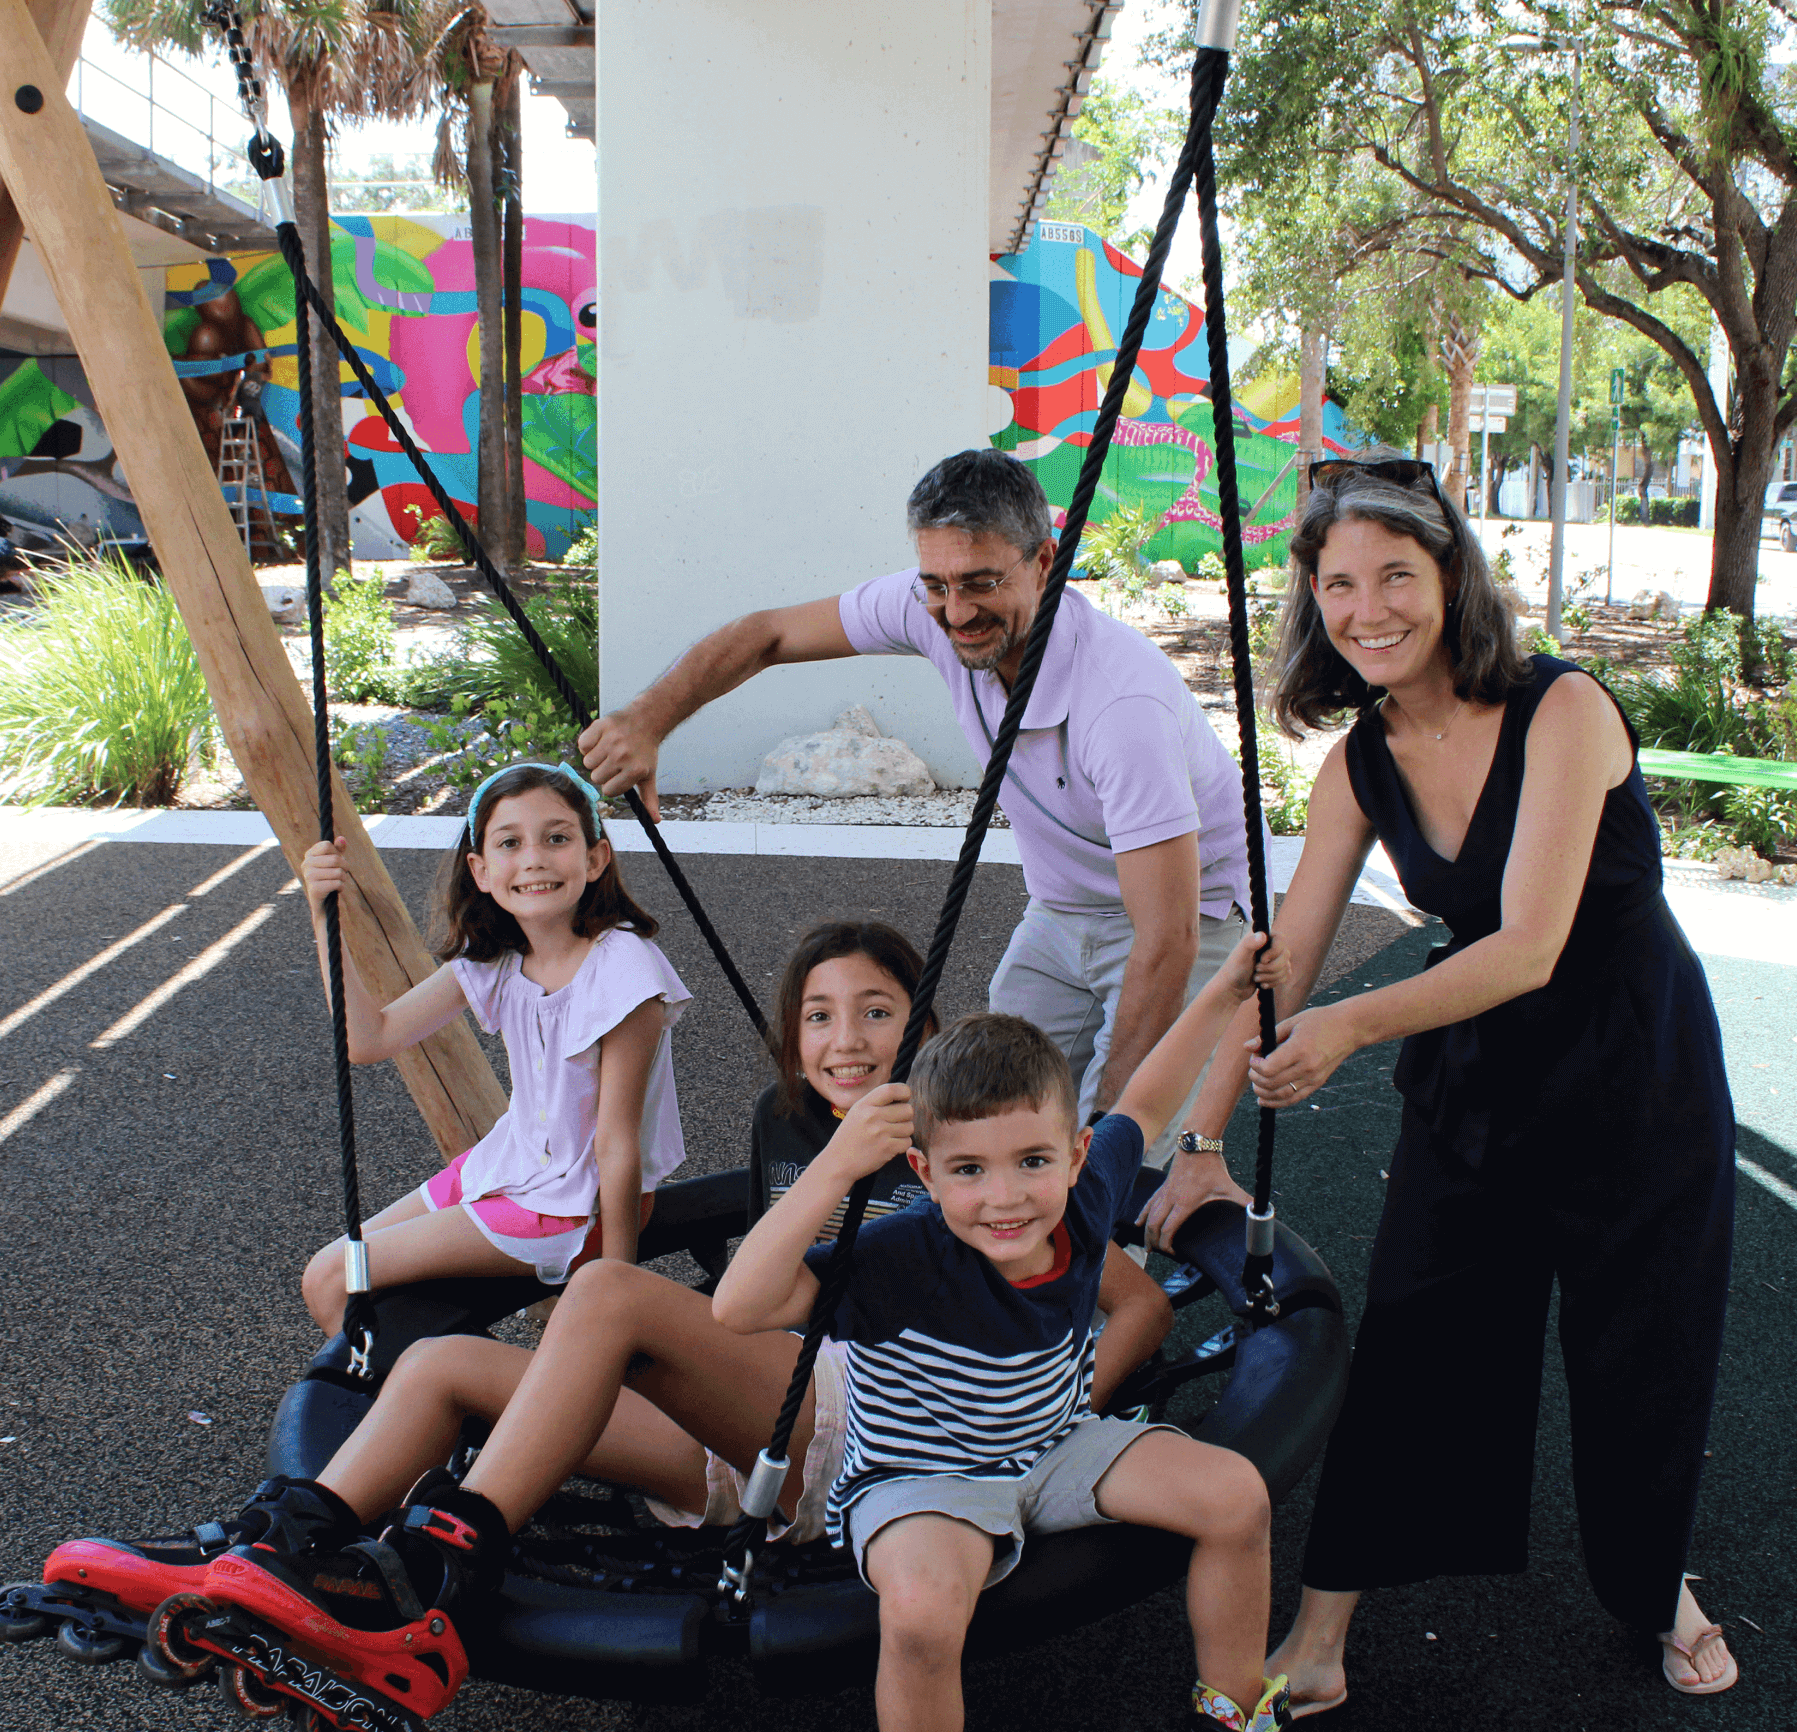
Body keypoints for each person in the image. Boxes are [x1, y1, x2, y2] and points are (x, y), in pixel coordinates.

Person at [32, 923, 1175, 1719]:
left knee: (610, 1296)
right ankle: (271, 1549)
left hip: (861, 1455)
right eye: (819, 1015)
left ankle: (436, 1586)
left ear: (921, 1030)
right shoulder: (798, 1142)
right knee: (439, 1365)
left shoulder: (975, 1168)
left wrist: (1050, 1412)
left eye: (876, 1011)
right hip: (738, 1450)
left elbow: (1129, 1298)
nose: (845, 1038)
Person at [1156, 452, 1740, 1712]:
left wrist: (1352, 1028)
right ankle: (1320, 1633)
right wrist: (1198, 1130)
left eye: (1393, 576)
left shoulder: (1562, 710)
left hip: (1633, 1069)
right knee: (1417, 1334)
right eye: (1336, 584)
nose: (1366, 609)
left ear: (1450, 575)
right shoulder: (1356, 762)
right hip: (1480, 1080)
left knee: (1635, 1347)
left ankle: (1656, 1589)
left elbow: (1527, 945)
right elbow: (1288, 955)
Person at [577, 449, 1251, 1152]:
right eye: (937, 584)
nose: (956, 612)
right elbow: (768, 634)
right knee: (990, 1123)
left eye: (981, 583)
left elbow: (1166, 940)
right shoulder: (931, 604)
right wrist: (648, 718)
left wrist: (1107, 1140)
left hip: (1184, 916)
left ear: (1045, 561)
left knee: (1124, 1151)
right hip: (1064, 909)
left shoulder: (1120, 707)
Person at [715, 953, 1288, 1732]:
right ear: (924, 1170)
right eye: (969, 1170)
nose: (1005, 1197)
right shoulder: (901, 1255)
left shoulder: (1085, 1198)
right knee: (920, 1616)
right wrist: (837, 1166)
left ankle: (1238, 1708)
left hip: (1054, 1443)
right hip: (919, 1477)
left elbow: (1151, 1096)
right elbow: (737, 1308)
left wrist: (1224, 989)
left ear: (1077, 1154)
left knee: (1236, 1498)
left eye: (1032, 1161)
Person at [295, 761, 689, 1329]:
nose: (533, 858)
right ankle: (423, 1399)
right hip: (505, 1168)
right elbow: (369, 1039)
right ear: (480, 870)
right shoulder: (500, 959)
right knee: (332, 1279)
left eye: (557, 838)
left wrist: (616, 1284)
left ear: (595, 857)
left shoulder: (625, 970)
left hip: (574, 1207)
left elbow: (617, 1146)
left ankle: (427, 1401)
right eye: (510, 843)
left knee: (337, 1276)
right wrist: (321, 913)